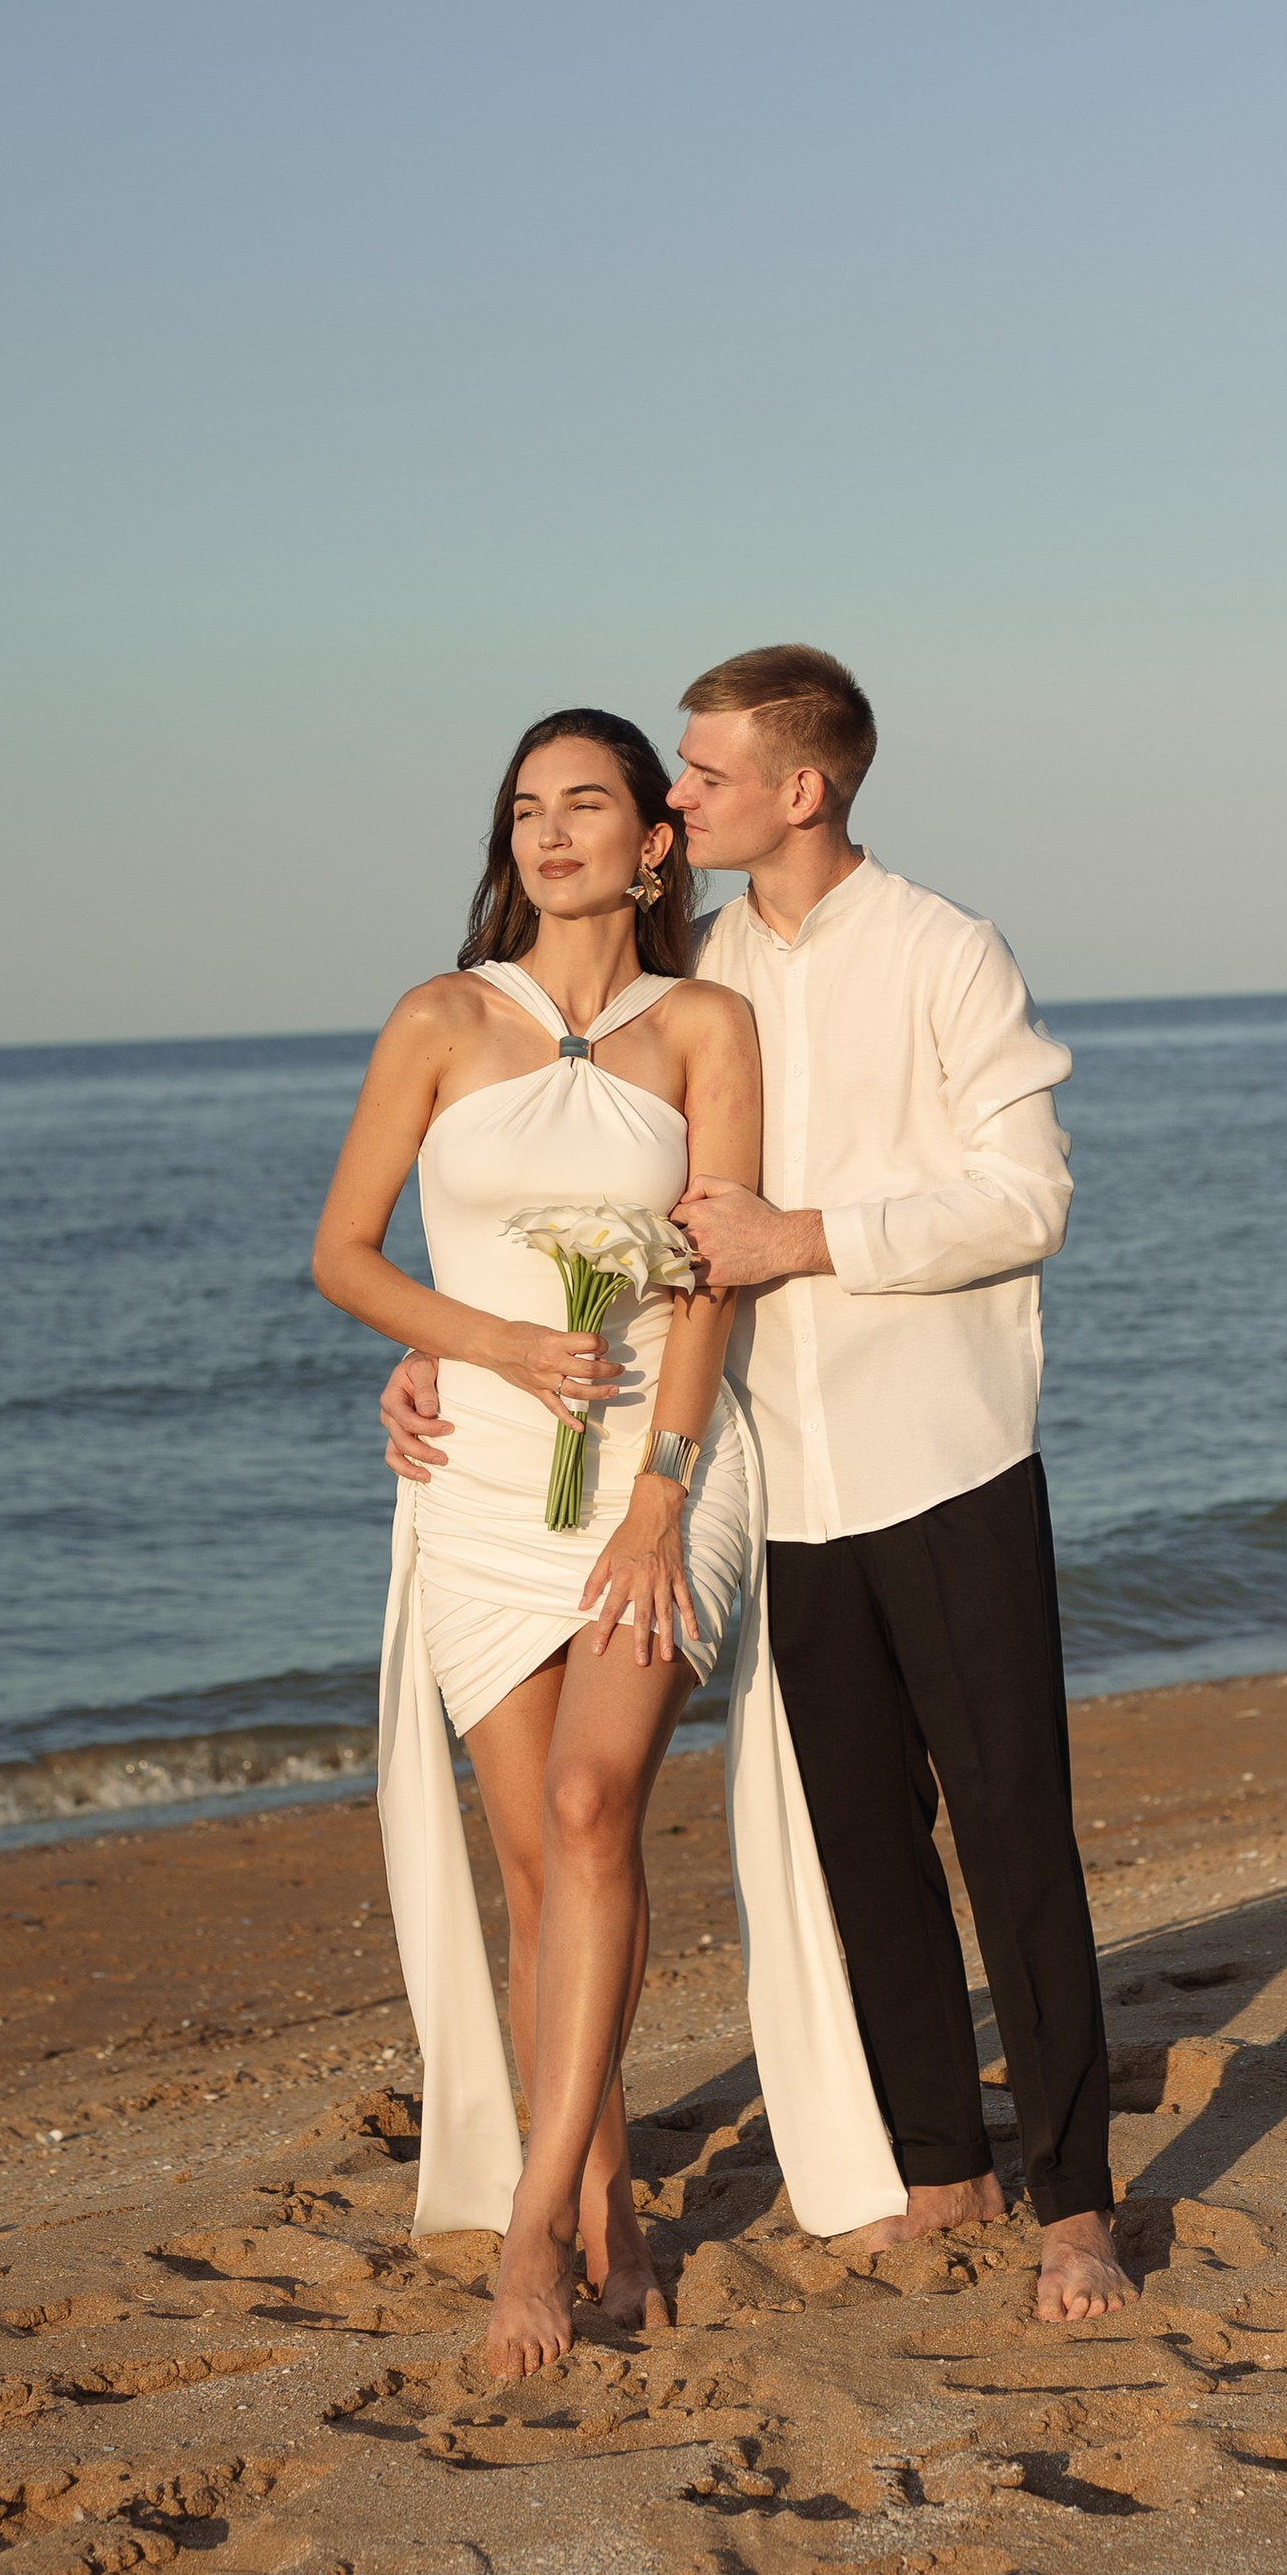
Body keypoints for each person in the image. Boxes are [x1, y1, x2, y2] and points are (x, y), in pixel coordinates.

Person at [386, 646, 1134, 2325]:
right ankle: (941, 2164)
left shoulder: (948, 952)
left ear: (801, 788)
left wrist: (811, 1242)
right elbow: (567, 1197)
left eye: (702, 775)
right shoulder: (692, 973)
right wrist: (443, 1339)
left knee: (1016, 1832)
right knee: (858, 1831)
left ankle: (1076, 2201)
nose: (675, 799)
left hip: (943, 1450)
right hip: (765, 1471)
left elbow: (1030, 1199)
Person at [314, 708, 900, 2382]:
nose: (548, 835)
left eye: (585, 807)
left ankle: (531, 2232)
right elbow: (347, 1256)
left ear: (656, 839)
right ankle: (618, 2223)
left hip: (659, 1466)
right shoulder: (437, 1020)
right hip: (483, 1472)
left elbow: (709, 1271)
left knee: (591, 1809)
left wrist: (662, 1487)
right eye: (522, 810)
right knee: (533, 1869)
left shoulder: (704, 1025)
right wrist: (477, 1349)